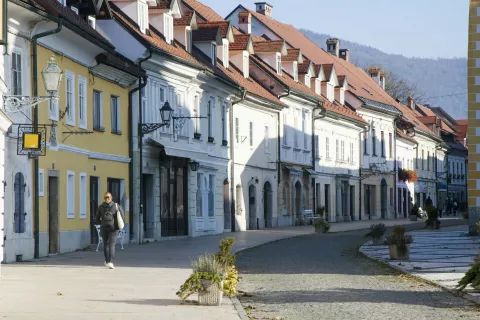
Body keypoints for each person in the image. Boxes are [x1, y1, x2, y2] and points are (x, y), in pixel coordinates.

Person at [95, 192, 126, 269]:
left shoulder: (101, 207)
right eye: (107, 197)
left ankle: (107, 261)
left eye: (107, 197)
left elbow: (96, 219)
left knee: (106, 245)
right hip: (114, 228)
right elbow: (122, 216)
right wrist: (119, 226)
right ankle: (110, 261)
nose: (107, 198)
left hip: (104, 227)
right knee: (112, 245)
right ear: (111, 198)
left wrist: (102, 223)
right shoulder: (116, 206)